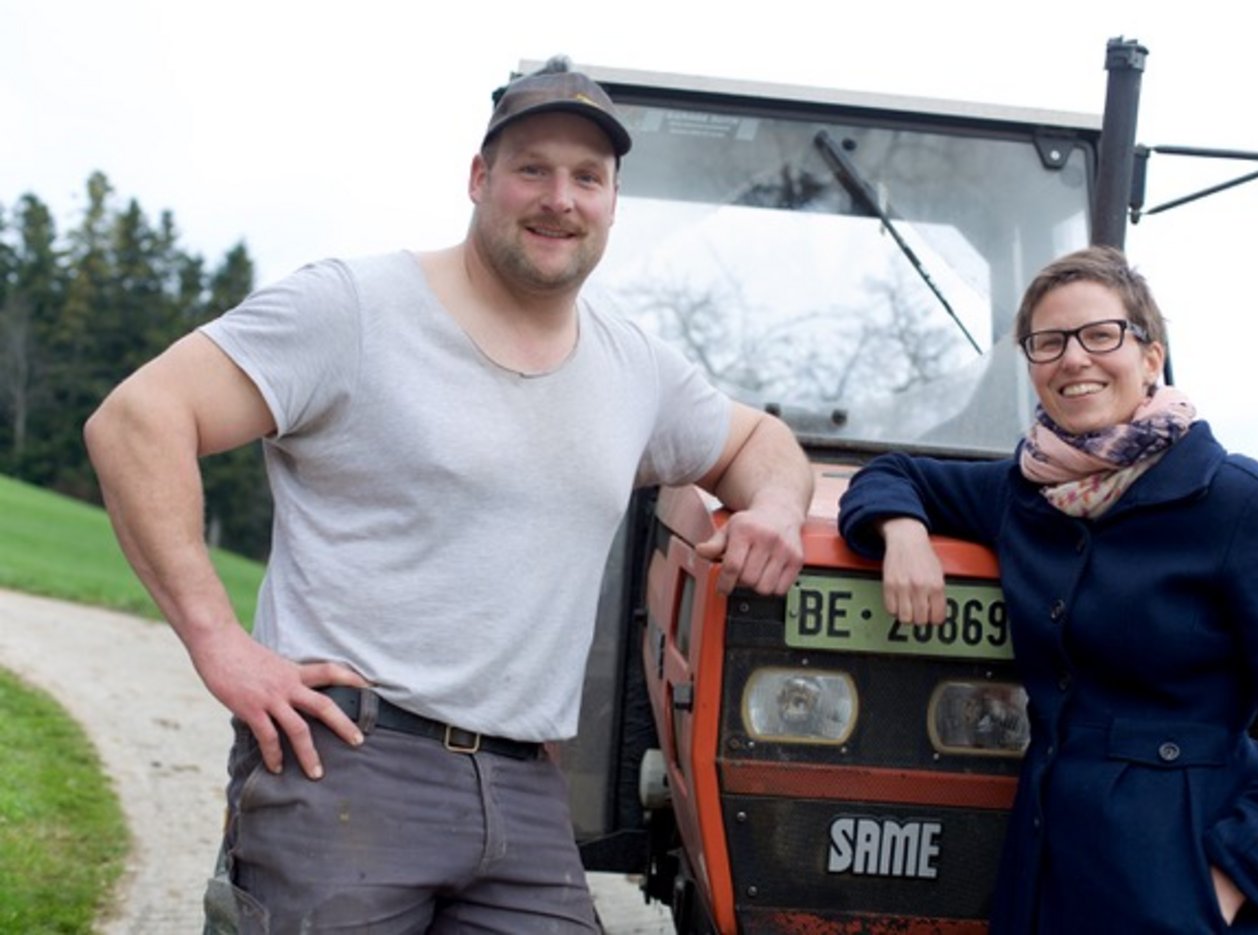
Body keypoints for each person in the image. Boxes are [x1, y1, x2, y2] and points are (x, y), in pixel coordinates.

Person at [85, 57, 813, 933]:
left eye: (588, 177)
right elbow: (136, 419)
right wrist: (219, 643)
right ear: (479, 178)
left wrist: (776, 508)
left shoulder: (636, 369)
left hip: (525, 791)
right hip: (346, 763)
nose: (561, 198)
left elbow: (760, 443)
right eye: (532, 169)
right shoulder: (355, 308)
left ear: (613, 201)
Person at [837, 246, 1258, 934]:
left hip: (1191, 892)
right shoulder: (1023, 493)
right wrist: (902, 530)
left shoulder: (1246, 506)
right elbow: (890, 472)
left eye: (1100, 335)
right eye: (1049, 342)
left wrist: (1233, 879)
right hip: (1049, 879)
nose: (1073, 358)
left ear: (1151, 358)